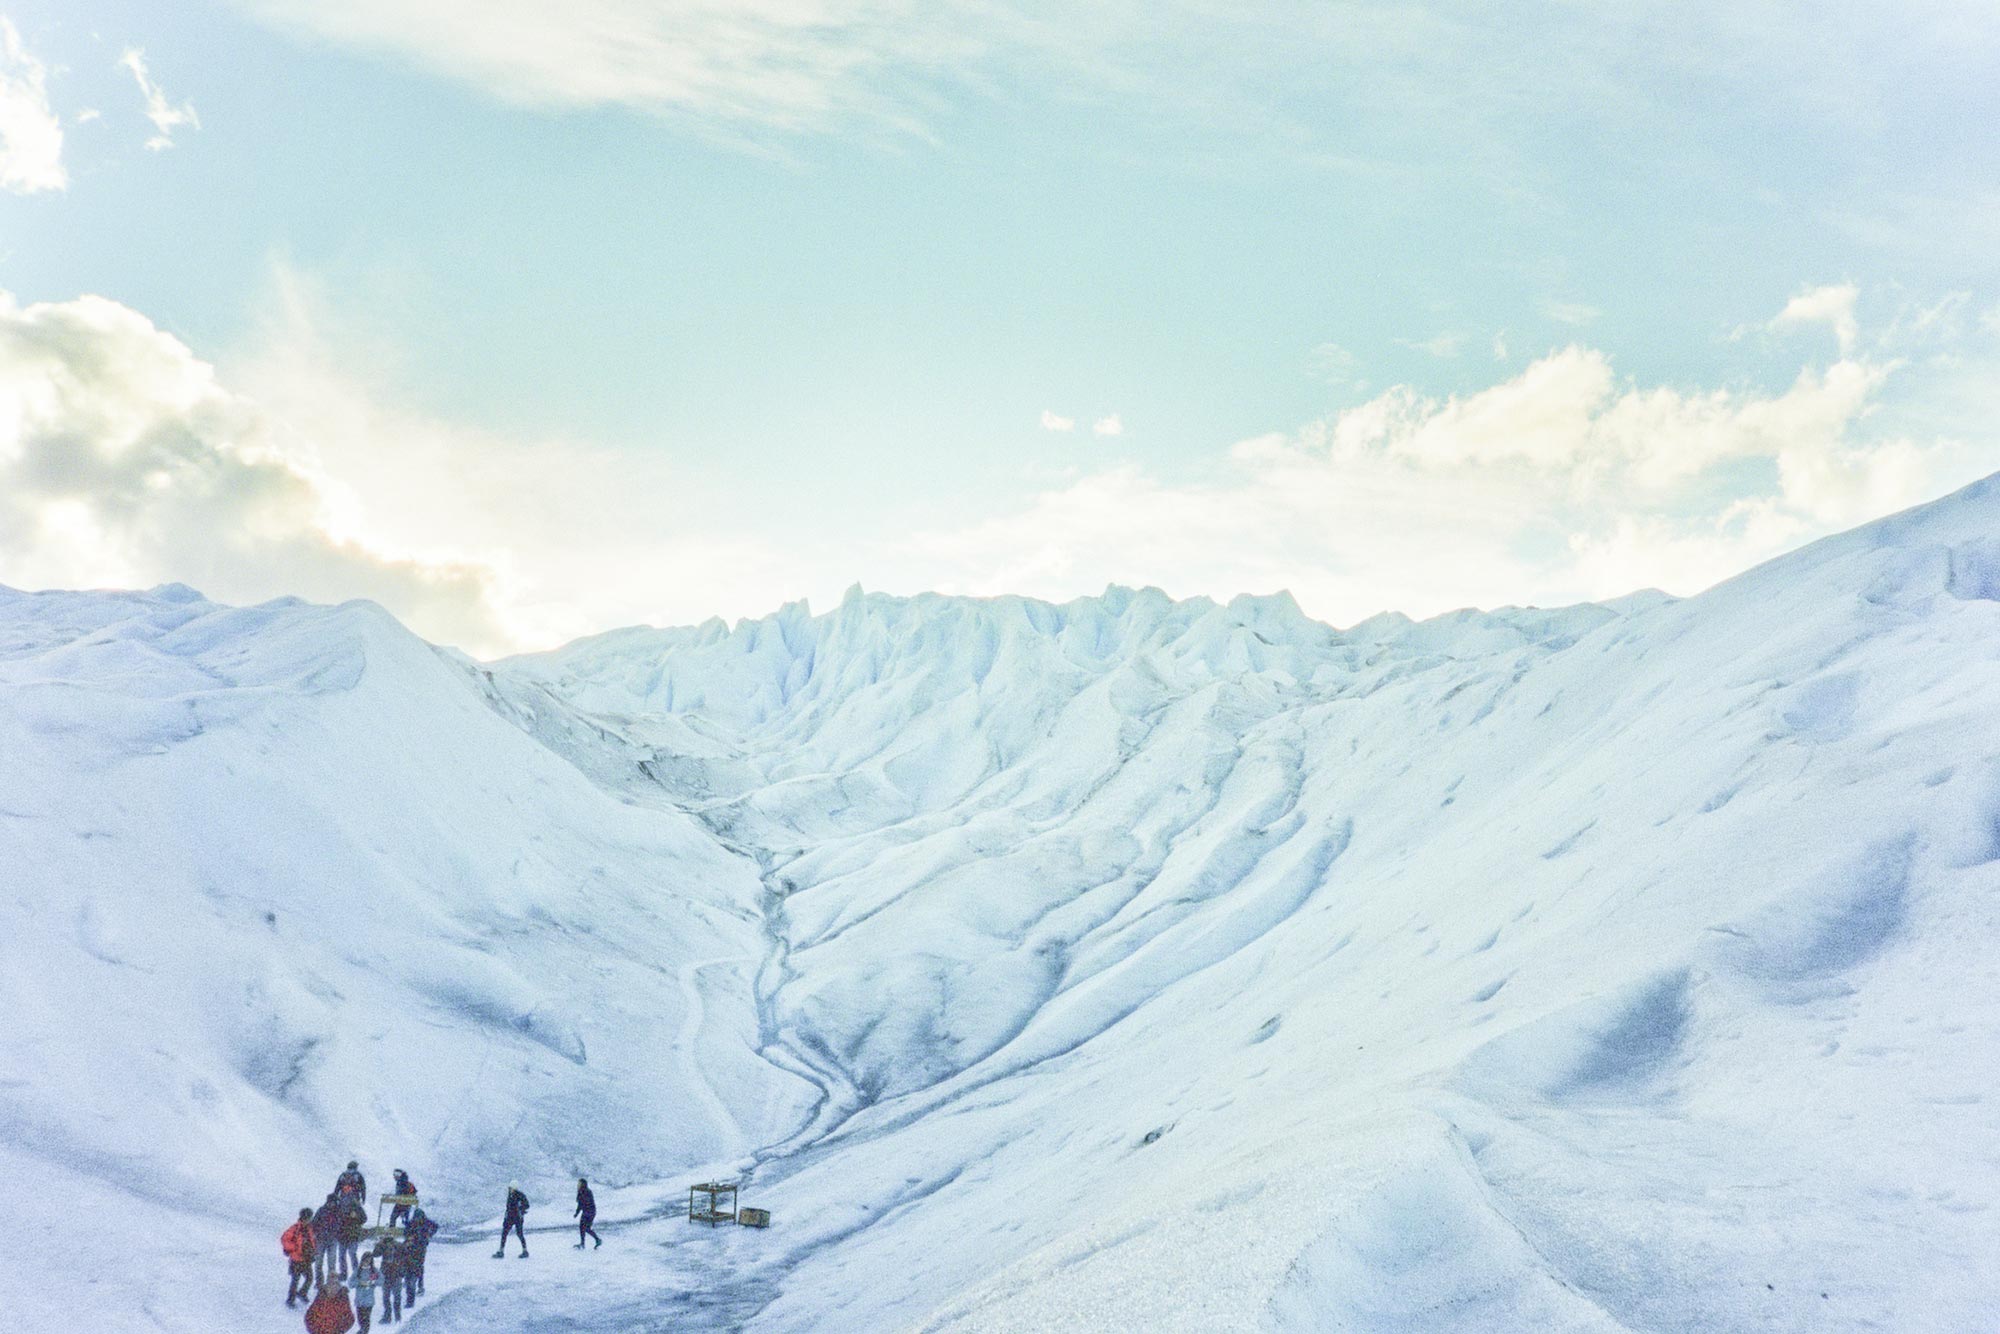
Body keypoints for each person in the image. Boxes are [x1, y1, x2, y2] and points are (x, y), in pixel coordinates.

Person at [283, 1208, 316, 1307]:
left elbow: (312, 1241)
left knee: (309, 1278)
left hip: (307, 1259)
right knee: (295, 1280)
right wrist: (295, 1248)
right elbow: (284, 1239)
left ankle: (302, 1293)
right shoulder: (295, 1228)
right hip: (296, 1259)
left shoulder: (309, 1229)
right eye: (309, 1217)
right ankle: (290, 1300)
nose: (310, 1219)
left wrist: (313, 1251)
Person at [312, 1192, 345, 1287]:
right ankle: (319, 1282)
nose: (333, 1204)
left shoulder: (339, 1212)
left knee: (332, 1263)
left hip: (333, 1240)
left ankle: (330, 1282)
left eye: (335, 1202)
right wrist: (316, 1233)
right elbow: (314, 1223)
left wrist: (339, 1234)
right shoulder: (321, 1210)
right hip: (321, 1239)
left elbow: (342, 1225)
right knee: (318, 1262)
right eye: (332, 1202)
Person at [403, 1207, 439, 1295]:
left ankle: (419, 1285)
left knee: (418, 1266)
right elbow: (406, 1232)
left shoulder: (424, 1222)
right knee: (412, 1265)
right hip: (414, 1247)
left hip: (421, 1247)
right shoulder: (414, 1223)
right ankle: (413, 1282)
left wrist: (429, 1235)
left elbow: (435, 1226)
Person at [494, 1181, 530, 1258]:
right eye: (509, 1188)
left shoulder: (520, 1195)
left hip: (518, 1218)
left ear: (514, 1188)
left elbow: (527, 1205)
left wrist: (521, 1210)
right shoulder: (510, 1196)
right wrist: (506, 1217)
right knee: (504, 1233)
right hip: (510, 1217)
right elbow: (508, 1207)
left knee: (519, 1234)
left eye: (511, 1188)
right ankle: (501, 1251)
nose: (509, 1189)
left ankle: (525, 1251)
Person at [375, 1239, 405, 1325]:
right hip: (386, 1274)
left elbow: (406, 1256)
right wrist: (379, 1244)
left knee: (396, 1297)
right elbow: (375, 1254)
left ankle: (397, 1317)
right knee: (386, 1297)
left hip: (396, 1274)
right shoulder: (382, 1245)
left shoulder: (399, 1245)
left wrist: (402, 1271)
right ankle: (388, 1316)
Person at [337, 1195, 367, 1278]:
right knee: (342, 1256)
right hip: (343, 1236)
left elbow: (364, 1219)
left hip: (352, 1236)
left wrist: (356, 1216)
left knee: (352, 1255)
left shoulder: (358, 1208)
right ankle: (344, 1273)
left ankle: (356, 1273)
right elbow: (337, 1220)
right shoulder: (340, 1208)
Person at [350, 1254, 381, 1333]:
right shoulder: (358, 1271)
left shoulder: (374, 1270)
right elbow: (350, 1283)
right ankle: (362, 1330)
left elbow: (381, 1280)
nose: (366, 1263)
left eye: (369, 1261)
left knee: (366, 1319)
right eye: (365, 1261)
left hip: (369, 1300)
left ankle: (364, 1331)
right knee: (360, 1319)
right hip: (359, 1300)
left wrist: (373, 1282)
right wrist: (359, 1283)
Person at [574, 1178, 601, 1249]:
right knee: (586, 1228)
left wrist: (577, 1213)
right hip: (591, 1211)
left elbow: (581, 1204)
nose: (578, 1185)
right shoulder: (587, 1191)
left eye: (579, 1183)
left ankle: (584, 1243)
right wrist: (577, 1213)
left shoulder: (583, 1192)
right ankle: (597, 1240)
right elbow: (581, 1204)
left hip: (588, 1212)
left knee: (584, 1228)